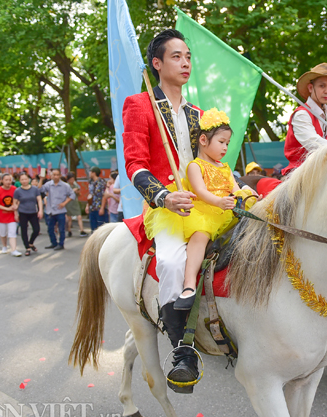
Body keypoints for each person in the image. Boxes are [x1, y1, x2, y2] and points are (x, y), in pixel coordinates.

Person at [122, 29, 203, 393]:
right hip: (167, 207)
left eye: (187, 56)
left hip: (204, 202)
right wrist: (163, 196)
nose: (185, 62)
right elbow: (135, 165)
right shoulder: (139, 105)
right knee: (171, 262)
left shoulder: (199, 112)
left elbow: (210, 159)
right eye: (176, 56)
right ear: (156, 64)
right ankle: (182, 350)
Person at [145, 109, 247, 312]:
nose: (225, 147)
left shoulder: (226, 168)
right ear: (203, 140)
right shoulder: (195, 166)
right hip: (205, 212)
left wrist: (246, 195)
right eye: (221, 142)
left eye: (227, 143)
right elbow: (200, 192)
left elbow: (236, 190)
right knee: (200, 236)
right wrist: (219, 201)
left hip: (224, 210)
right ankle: (189, 285)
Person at [282, 63, 327, 176]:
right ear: (311, 88)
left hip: (323, 173)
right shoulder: (301, 114)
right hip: (299, 174)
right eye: (322, 86)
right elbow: (314, 143)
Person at [40, 168, 76, 251]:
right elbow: (40, 190)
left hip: (60, 210)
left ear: (60, 175)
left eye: (57, 175)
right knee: (50, 229)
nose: (56, 176)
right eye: (54, 175)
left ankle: (61, 244)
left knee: (61, 229)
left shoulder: (65, 185)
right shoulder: (48, 184)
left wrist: (64, 203)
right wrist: (41, 180)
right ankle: (53, 243)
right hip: (50, 210)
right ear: (51, 175)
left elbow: (72, 195)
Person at [13, 172, 43, 256]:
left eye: (25, 179)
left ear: (28, 179)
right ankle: (27, 247)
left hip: (33, 212)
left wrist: (40, 210)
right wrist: (15, 213)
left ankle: (31, 243)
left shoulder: (34, 189)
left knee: (36, 230)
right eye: (22, 179)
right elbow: (14, 203)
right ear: (19, 180)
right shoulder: (18, 191)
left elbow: (39, 200)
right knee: (24, 230)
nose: (24, 181)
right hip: (23, 212)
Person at [0, 173, 21, 256]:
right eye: (6, 180)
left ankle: (14, 250)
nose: (8, 182)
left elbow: (18, 200)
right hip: (1, 216)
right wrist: (7, 208)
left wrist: (16, 207)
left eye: (10, 180)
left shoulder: (15, 189)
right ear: (2, 181)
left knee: (12, 233)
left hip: (12, 215)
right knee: (3, 233)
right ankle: (4, 246)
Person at [85, 166, 107, 231]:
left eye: (90, 172)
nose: (89, 173)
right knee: (93, 228)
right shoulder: (91, 183)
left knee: (101, 228)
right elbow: (90, 195)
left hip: (99, 208)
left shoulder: (101, 182)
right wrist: (87, 205)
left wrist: (102, 208)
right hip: (92, 208)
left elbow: (104, 196)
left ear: (93, 173)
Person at [65, 172, 86, 237]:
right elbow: (65, 195)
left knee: (79, 216)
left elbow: (79, 194)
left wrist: (77, 192)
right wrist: (72, 191)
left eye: (73, 179)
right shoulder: (66, 185)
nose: (72, 180)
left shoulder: (75, 184)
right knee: (69, 218)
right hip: (68, 203)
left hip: (75, 202)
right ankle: (69, 230)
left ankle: (82, 230)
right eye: (71, 179)